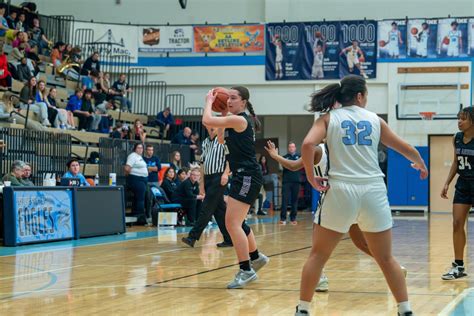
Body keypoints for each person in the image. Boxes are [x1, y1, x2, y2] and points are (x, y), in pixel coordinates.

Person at [294, 75, 428, 316]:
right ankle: (405, 309)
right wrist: (419, 163)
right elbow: (404, 147)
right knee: (386, 258)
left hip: (341, 190)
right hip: (373, 191)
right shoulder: (374, 119)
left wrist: (311, 177)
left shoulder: (329, 118)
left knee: (318, 256)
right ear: (359, 96)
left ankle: (303, 309)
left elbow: (306, 145)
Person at [265, 139, 407, 292]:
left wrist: (275, 156)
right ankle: (395, 267)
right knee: (361, 243)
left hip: (332, 199)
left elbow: (293, 166)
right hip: (354, 198)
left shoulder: (318, 150)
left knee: (318, 246)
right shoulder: (346, 150)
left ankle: (321, 278)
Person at [202, 86, 269, 289]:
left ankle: (246, 270)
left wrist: (208, 101)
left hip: (247, 176)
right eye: (227, 98)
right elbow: (220, 138)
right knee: (236, 222)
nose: (229, 101)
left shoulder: (240, 120)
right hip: (242, 176)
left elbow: (207, 121)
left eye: (233, 98)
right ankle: (256, 258)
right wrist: (223, 112)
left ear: (244, 102)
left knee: (232, 224)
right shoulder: (234, 120)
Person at [182, 126, 233, 248]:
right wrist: (202, 184)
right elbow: (202, 165)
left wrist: (226, 174)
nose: (211, 127)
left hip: (219, 177)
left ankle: (192, 237)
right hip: (208, 178)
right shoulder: (205, 142)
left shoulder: (223, 141)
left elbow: (230, 160)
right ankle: (229, 238)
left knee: (206, 207)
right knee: (219, 211)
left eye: (214, 125)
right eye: (209, 125)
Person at [440, 106, 474, 280]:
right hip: (463, 184)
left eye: (464, 118)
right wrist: (447, 182)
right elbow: (455, 162)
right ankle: (458, 266)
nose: (459, 122)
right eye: (459, 118)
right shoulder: (457, 138)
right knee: (457, 223)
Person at [124, 143, 149, 225]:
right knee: (140, 199)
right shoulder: (132, 156)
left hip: (142, 180)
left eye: (141, 148)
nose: (140, 149)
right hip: (136, 179)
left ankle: (136, 215)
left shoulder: (140, 157)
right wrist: (130, 178)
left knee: (139, 198)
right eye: (138, 148)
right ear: (135, 149)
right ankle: (140, 218)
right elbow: (127, 168)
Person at [280, 141, 301, 225]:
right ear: (288, 148)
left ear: (295, 148)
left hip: (296, 181)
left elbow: (298, 166)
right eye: (290, 147)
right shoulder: (284, 157)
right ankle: (283, 218)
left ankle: (293, 219)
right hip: (286, 181)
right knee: (284, 200)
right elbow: (286, 166)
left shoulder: (299, 157)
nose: (291, 148)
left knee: (294, 200)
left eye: (293, 147)